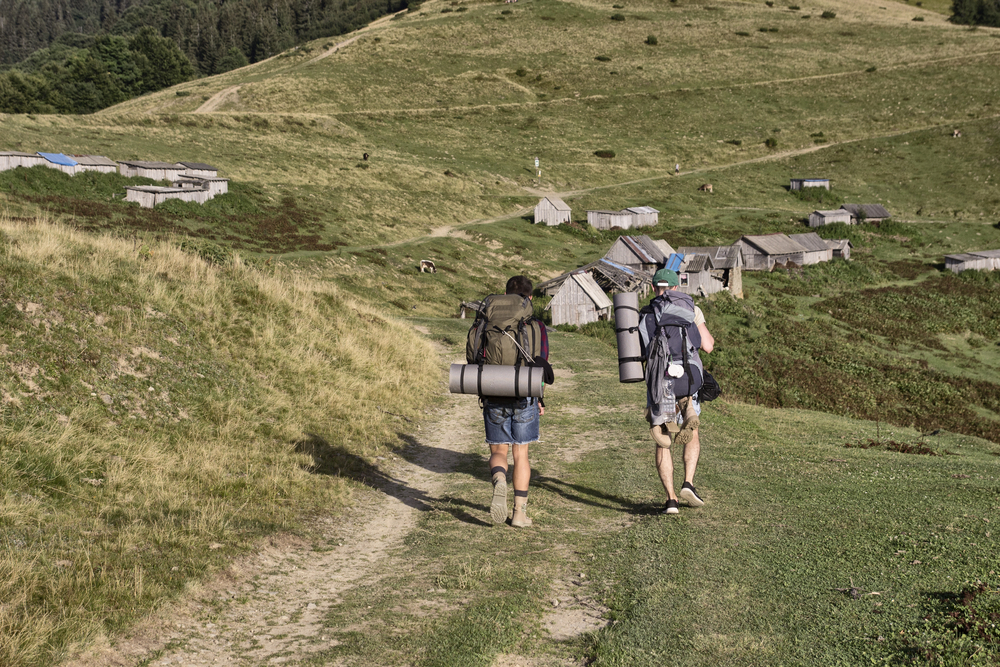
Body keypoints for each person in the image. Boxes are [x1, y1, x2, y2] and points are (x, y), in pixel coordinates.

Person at [639, 268, 714, 515]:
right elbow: (708, 346)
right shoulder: (691, 308)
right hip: (687, 378)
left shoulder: (646, 313)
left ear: (653, 288)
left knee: (663, 441)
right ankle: (688, 483)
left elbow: (638, 353)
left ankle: (671, 500)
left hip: (659, 383)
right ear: (675, 287)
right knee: (692, 432)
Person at [481, 275, 548, 528]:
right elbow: (542, 363)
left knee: (499, 451)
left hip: (493, 390)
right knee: (521, 454)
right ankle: (519, 513)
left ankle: (499, 480)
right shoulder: (535, 324)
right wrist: (540, 398)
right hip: (524, 394)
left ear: (506, 294)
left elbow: (474, 355)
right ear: (529, 298)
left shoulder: (488, 318)